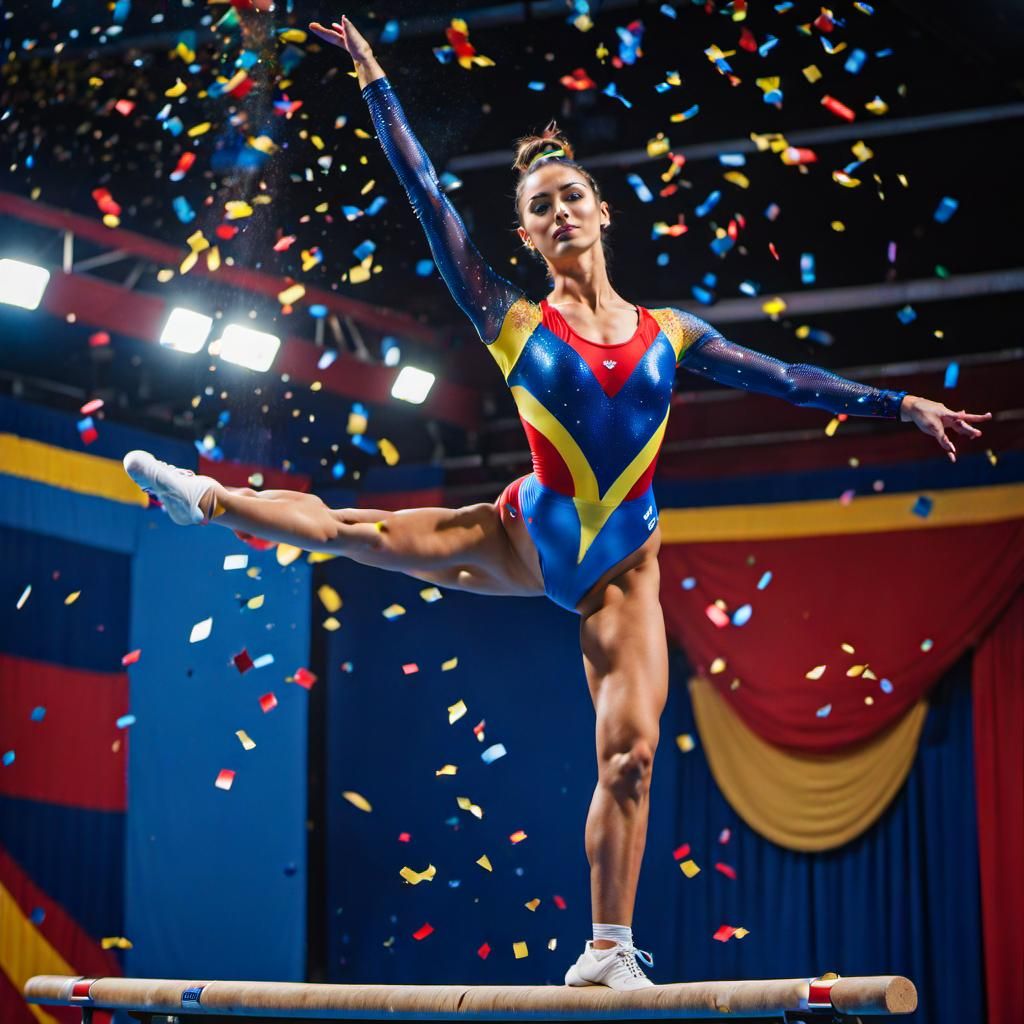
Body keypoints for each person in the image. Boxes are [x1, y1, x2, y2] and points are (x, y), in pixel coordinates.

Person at [123, 14, 992, 991]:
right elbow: (422, 195)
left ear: (601, 209)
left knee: (629, 758)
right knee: (352, 532)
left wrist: (899, 403)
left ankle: (607, 949)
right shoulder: (508, 319)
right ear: (528, 234)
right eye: (541, 206)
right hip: (523, 534)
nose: (561, 212)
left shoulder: (671, 331)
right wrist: (373, 77)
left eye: (572, 194)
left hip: (619, 573)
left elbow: (786, 377)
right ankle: (209, 498)